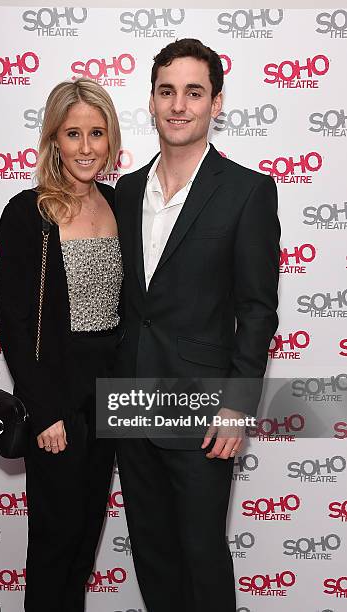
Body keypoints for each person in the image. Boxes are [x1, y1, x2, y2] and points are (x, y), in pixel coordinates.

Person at [114, 39, 280, 611]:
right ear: (152, 101)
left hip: (204, 410)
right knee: (152, 557)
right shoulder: (126, 190)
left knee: (203, 557)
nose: (178, 105)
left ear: (216, 102)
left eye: (193, 92)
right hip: (131, 400)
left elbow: (257, 309)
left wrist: (237, 405)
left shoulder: (247, 191)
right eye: (167, 92)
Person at [0, 78, 122, 612]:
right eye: (74, 134)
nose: (87, 147)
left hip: (113, 396)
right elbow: (15, 323)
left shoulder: (122, 204)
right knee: (54, 539)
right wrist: (44, 409)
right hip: (58, 397)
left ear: (111, 139)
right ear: (54, 140)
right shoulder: (29, 213)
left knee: (87, 535)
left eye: (97, 132)